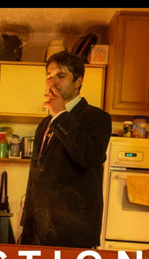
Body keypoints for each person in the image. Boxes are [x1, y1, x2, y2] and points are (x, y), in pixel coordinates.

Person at [20, 51, 112, 247]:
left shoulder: (96, 117)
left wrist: (61, 113)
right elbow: (37, 174)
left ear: (78, 81)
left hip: (73, 230)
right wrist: (27, 223)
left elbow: (88, 156)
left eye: (61, 76)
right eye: (49, 76)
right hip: (37, 230)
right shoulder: (45, 124)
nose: (52, 82)